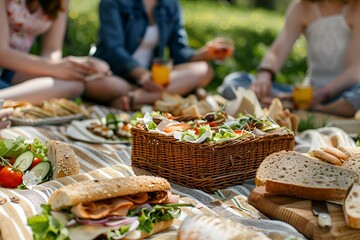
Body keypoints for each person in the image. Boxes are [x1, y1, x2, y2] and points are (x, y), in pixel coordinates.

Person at [219, 0, 360, 117]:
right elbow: (278, 49)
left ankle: (319, 109)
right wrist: (264, 75)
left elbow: (354, 71)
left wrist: (321, 95)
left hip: (344, 92)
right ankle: (288, 105)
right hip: (309, 93)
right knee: (235, 81)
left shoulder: (356, 8)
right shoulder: (301, 7)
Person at [93, 0, 234, 111]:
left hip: (151, 77)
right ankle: (160, 94)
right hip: (115, 74)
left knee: (204, 69)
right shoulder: (112, 2)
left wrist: (204, 54)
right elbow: (114, 49)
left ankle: (133, 98)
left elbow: (178, 52)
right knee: (95, 84)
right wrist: (142, 75)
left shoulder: (170, 4)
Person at [0, 0, 117, 105]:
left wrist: (73, 67)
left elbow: (52, 48)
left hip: (15, 68)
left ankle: (5, 98)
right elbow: (2, 53)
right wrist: (54, 67)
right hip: (6, 61)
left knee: (75, 84)